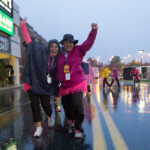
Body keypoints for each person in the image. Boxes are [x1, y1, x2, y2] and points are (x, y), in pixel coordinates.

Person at [57, 23, 98, 138]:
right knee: (66, 106)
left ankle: (79, 129)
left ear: (73, 43)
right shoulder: (59, 54)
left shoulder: (79, 50)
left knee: (77, 104)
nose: (68, 44)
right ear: (63, 43)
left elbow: (88, 43)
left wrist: (93, 30)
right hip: (64, 85)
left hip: (77, 83)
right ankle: (72, 120)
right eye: (66, 42)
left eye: (70, 42)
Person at [21, 18, 60, 138]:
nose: (53, 49)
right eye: (52, 46)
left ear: (58, 48)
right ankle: (38, 127)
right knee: (34, 104)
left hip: (45, 85)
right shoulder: (41, 50)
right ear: (48, 47)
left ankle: (49, 116)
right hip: (33, 82)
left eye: (56, 47)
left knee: (46, 105)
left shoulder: (58, 59)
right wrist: (23, 26)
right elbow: (30, 42)